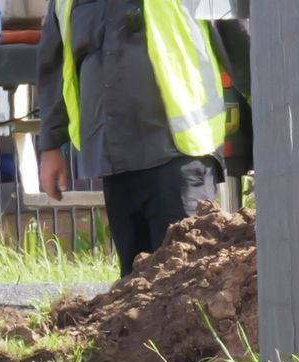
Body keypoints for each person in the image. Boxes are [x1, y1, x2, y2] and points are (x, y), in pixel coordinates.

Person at [36, 0, 249, 278]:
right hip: (113, 156)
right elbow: (54, 64)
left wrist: (277, 115)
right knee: (136, 290)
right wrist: (51, 145)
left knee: (187, 278)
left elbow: (241, 40)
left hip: (178, 156)